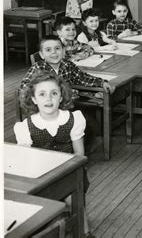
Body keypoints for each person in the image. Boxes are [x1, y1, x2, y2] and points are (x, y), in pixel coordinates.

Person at [14, 71, 94, 237]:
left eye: (54, 93)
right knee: (44, 209)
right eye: (42, 94)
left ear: (61, 96)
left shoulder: (73, 119)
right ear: (34, 99)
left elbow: (79, 154)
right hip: (41, 179)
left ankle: (85, 231)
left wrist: (65, 174)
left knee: (74, 202)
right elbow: (27, 161)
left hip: (71, 175)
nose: (48, 99)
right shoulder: (26, 127)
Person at [20, 35, 114, 93]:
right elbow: (24, 87)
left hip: (66, 106)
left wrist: (101, 82)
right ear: (41, 54)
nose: (54, 52)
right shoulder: (38, 67)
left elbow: (82, 77)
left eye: (57, 48)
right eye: (48, 50)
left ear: (63, 50)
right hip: (45, 109)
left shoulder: (67, 65)